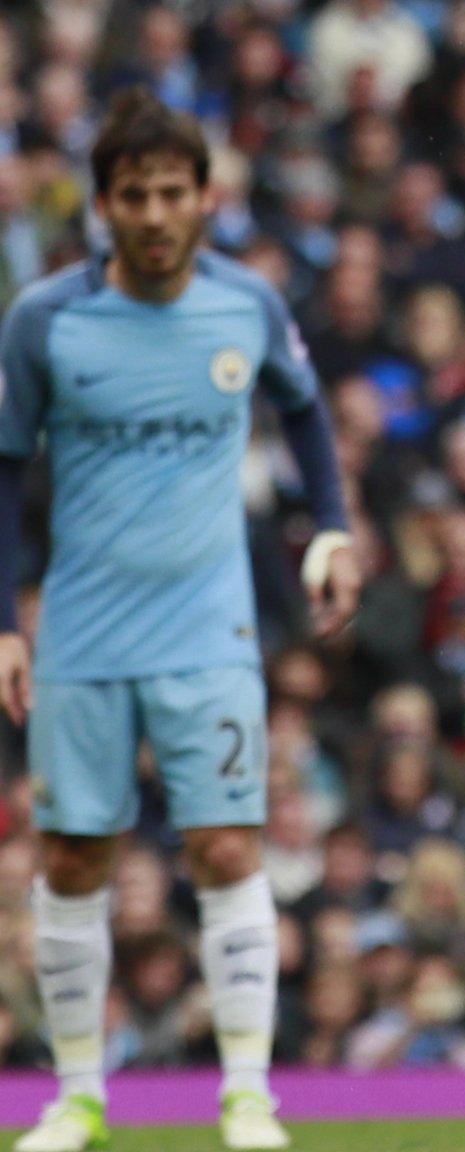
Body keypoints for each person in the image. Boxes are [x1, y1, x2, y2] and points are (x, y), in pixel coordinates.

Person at [0, 91, 360, 1152]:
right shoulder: (44, 321)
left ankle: (248, 1095)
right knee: (73, 859)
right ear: (102, 207)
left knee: (225, 847)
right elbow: (4, 466)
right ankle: (76, 1097)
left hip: (211, 627)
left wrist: (332, 526)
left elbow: (303, 407)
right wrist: (4, 624)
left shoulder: (245, 305)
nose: (155, 215)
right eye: (133, 197)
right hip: (80, 631)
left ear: (205, 198)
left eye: (172, 194)